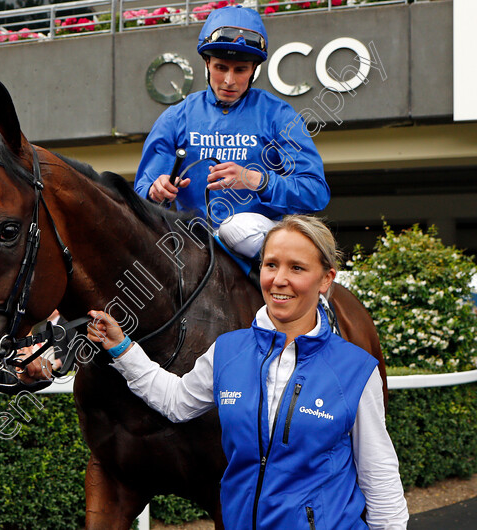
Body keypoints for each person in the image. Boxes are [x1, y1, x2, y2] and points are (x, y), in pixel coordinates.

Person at [88, 215, 408, 529]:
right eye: (271, 265)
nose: (279, 279)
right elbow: (175, 400)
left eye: (296, 267)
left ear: (326, 279)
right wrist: (122, 348)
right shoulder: (228, 351)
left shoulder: (355, 369)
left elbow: (379, 476)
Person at [134, 5, 329, 259]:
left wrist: (257, 180)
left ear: (253, 69)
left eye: (240, 70)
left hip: (258, 239)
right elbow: (142, 193)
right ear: (206, 62)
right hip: (190, 245)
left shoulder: (278, 115)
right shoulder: (175, 118)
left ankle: (312, 296)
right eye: (220, 67)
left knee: (237, 228)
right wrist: (155, 190)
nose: (229, 81)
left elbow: (315, 192)